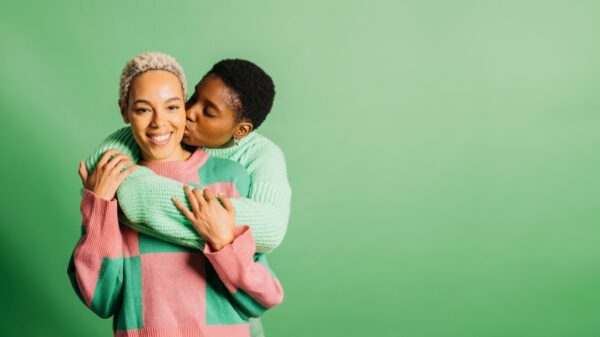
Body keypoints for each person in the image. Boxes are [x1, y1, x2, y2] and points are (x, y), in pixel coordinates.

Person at [68, 52, 283, 337]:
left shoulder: (232, 176)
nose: (159, 122)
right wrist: (99, 208)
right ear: (125, 111)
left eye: (172, 106)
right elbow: (101, 299)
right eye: (143, 109)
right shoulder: (110, 185)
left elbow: (262, 298)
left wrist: (224, 244)